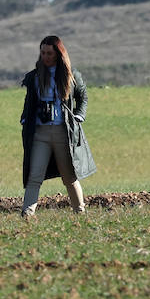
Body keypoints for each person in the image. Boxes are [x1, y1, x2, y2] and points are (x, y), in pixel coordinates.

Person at [19, 35, 96, 216]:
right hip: (40, 133)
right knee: (34, 175)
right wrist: (24, 118)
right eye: (43, 53)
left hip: (64, 132)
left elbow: (82, 97)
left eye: (49, 53)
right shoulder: (35, 76)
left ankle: (80, 212)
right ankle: (27, 214)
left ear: (58, 54)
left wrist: (79, 116)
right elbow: (29, 101)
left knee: (69, 177)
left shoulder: (72, 75)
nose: (45, 57)